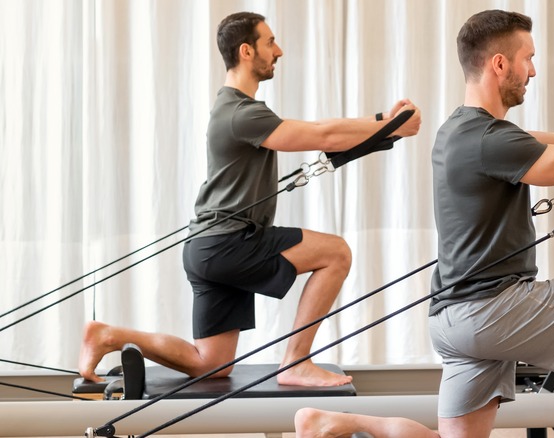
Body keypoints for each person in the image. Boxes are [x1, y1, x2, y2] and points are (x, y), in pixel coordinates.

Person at [294, 9, 554, 437]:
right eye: (527, 58)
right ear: (500, 64)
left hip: (453, 317)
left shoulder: (465, 130)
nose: (532, 70)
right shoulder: (490, 140)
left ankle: (332, 422)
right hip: (491, 309)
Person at [78, 11, 421, 388]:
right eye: (270, 42)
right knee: (336, 253)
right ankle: (296, 362)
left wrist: (384, 121)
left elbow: (325, 132)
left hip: (207, 249)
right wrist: (391, 126)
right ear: (246, 51)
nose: (279, 51)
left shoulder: (236, 109)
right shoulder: (241, 113)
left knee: (211, 364)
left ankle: (107, 335)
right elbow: (322, 135)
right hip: (227, 244)